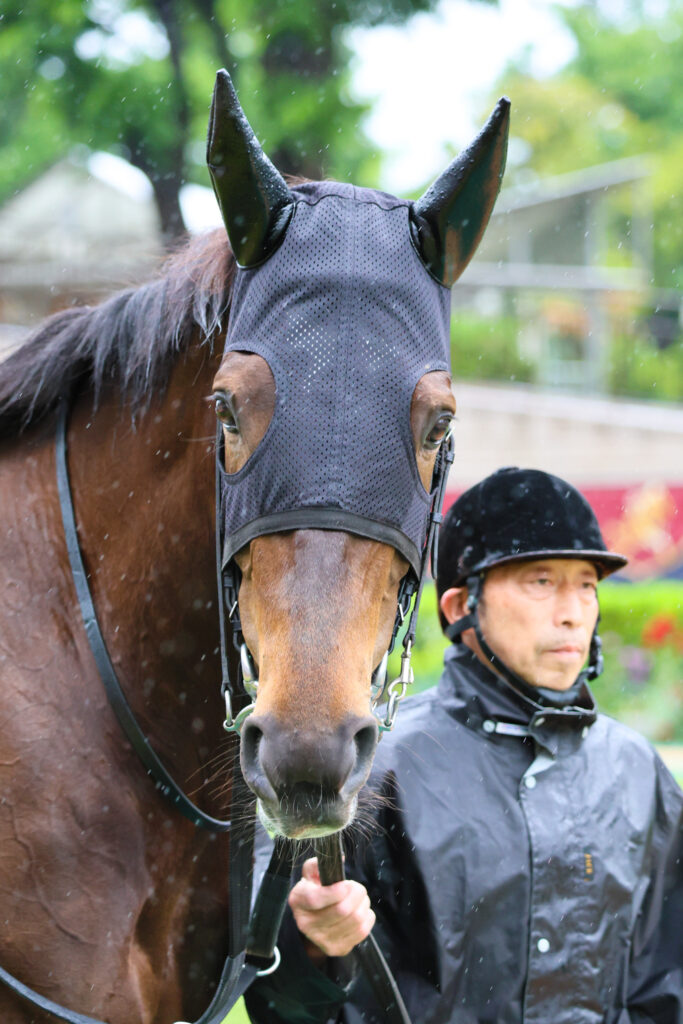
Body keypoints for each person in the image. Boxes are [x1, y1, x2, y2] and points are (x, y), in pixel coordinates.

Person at [245, 467, 683, 1024]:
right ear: (459, 608)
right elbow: (279, 998)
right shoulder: (373, 770)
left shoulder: (637, 771)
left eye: (587, 585)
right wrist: (313, 948)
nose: (573, 612)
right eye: (542, 582)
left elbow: (668, 979)